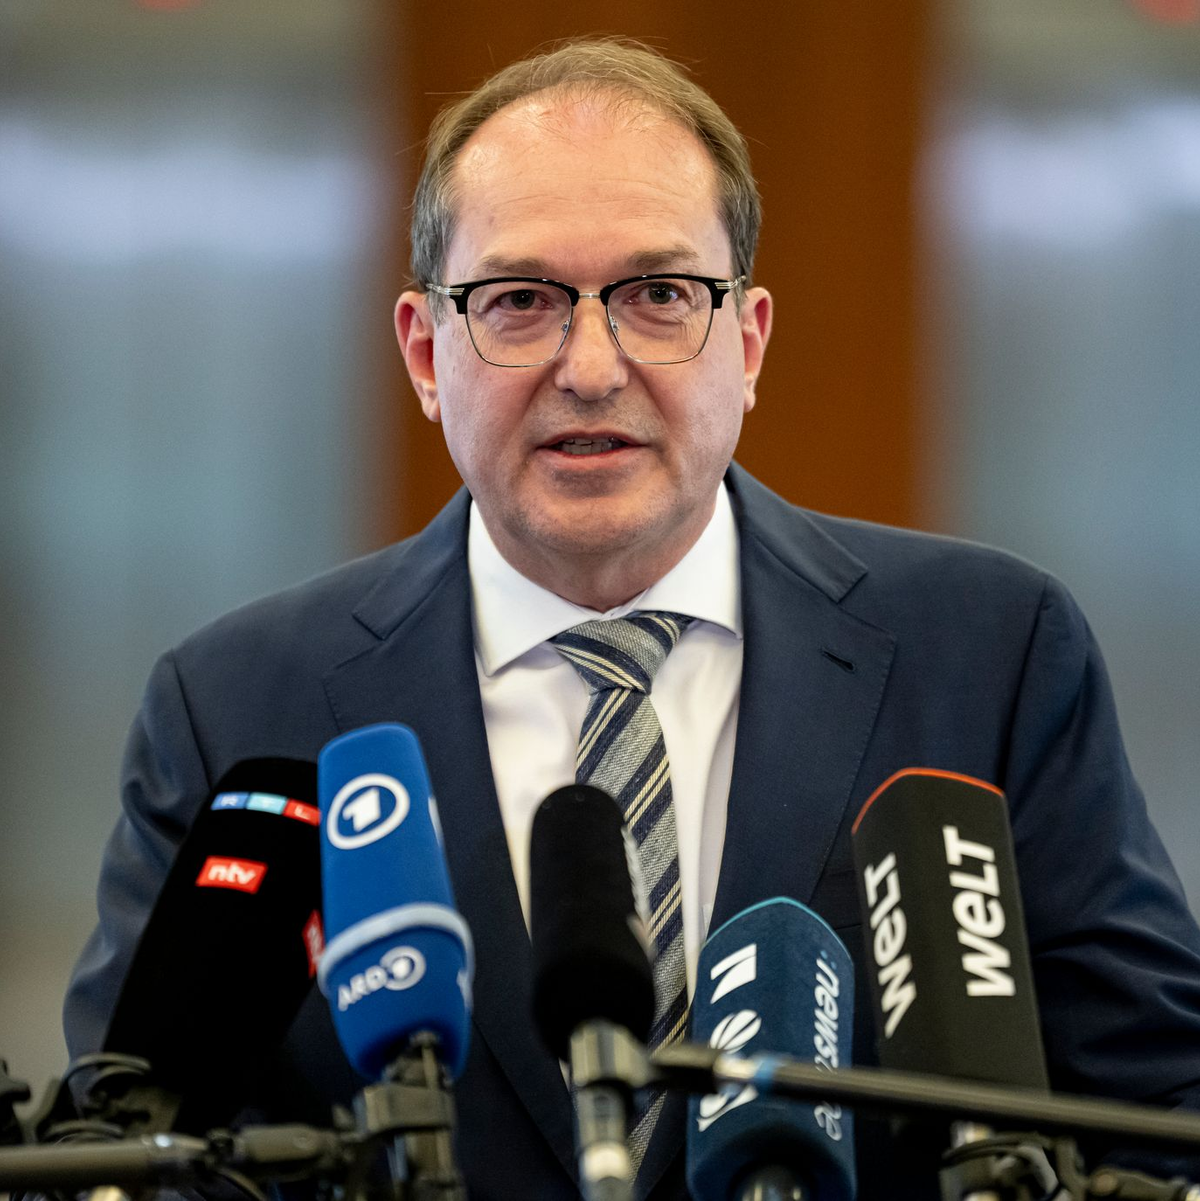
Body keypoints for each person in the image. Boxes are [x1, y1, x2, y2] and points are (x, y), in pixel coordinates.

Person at [64, 38, 1200, 1201]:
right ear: (422, 350)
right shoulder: (239, 708)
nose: (593, 367)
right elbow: (139, 1153)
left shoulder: (991, 657)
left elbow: (1157, 1111)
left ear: (747, 343)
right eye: (520, 301)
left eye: (659, 297)